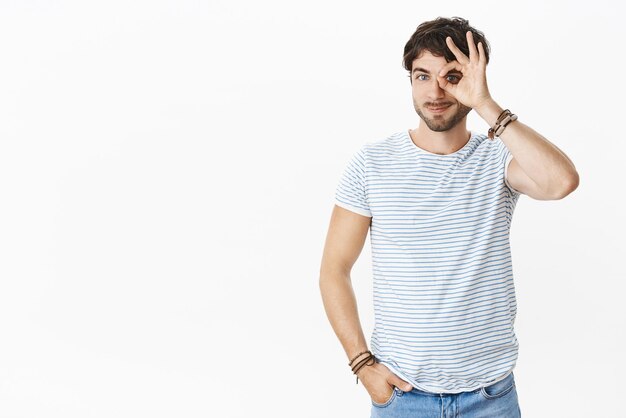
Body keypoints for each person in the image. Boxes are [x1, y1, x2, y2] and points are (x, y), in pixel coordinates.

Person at [319, 16, 579, 418]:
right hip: (402, 397)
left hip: (490, 397)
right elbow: (334, 269)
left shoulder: (498, 159)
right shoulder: (372, 163)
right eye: (423, 76)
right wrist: (361, 364)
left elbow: (561, 182)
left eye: (452, 76)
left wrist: (486, 104)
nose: (436, 91)